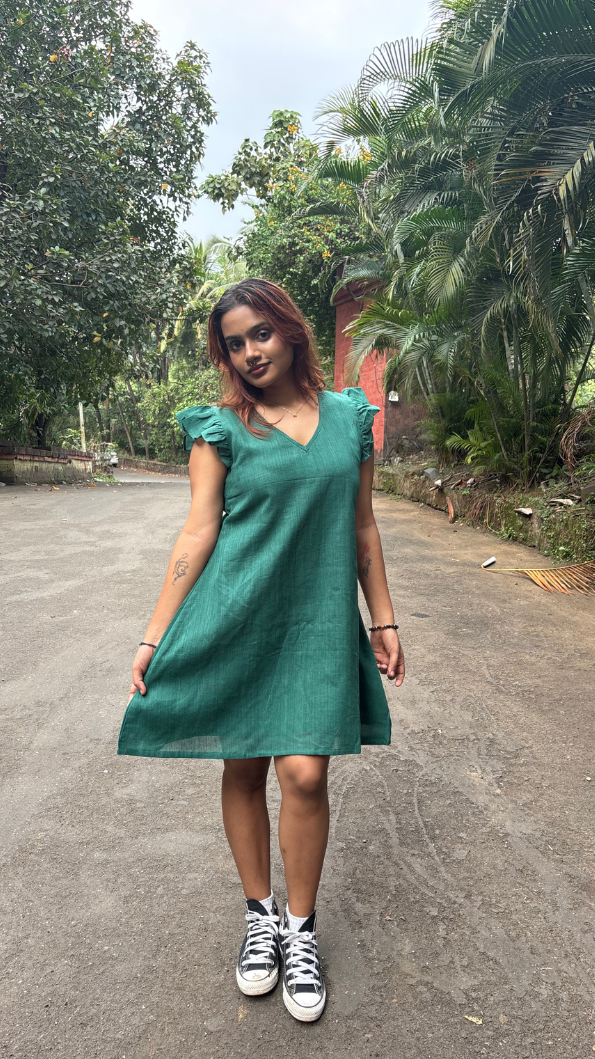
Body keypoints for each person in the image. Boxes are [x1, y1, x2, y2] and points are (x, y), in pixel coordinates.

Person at [118, 278, 405, 1023]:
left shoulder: (350, 418)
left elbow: (363, 527)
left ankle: (300, 930)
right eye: (234, 342)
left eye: (260, 334)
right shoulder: (219, 428)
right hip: (235, 616)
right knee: (243, 762)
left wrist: (383, 619)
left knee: (305, 773)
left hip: (314, 621)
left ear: (291, 330)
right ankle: (260, 917)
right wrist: (154, 634)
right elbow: (198, 531)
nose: (249, 352)